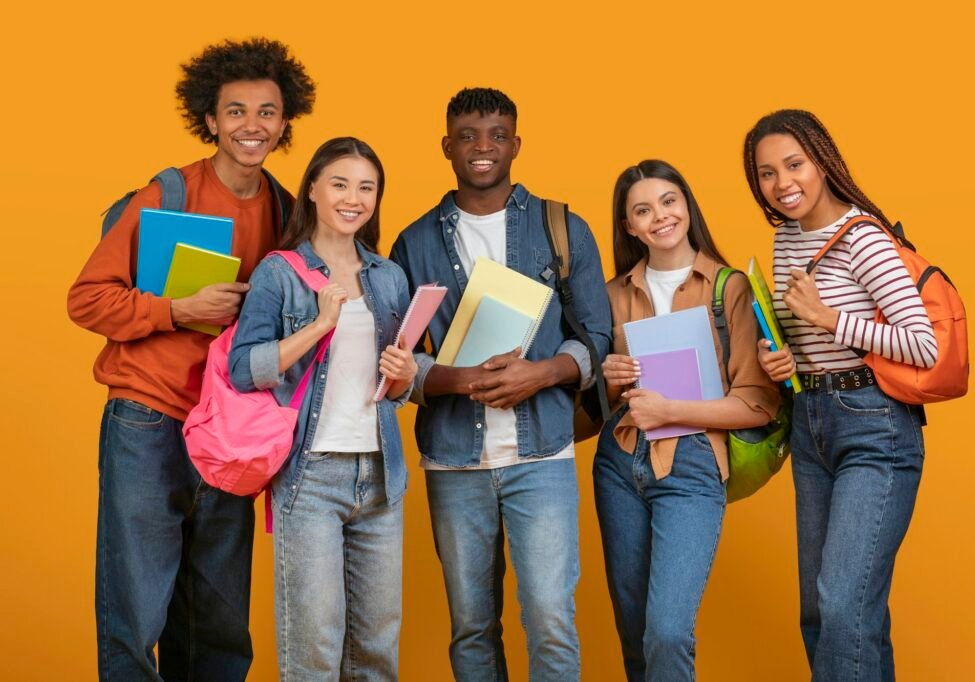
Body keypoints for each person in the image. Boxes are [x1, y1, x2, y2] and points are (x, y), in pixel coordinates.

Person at [66, 37, 315, 681]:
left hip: (231, 428)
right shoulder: (168, 193)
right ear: (210, 118)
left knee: (218, 620)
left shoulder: (289, 212)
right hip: (146, 419)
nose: (251, 127)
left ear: (285, 123)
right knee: (135, 609)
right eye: (236, 112)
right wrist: (179, 309)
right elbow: (87, 299)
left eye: (266, 112)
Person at [390, 87, 612, 681]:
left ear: (516, 143)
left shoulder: (562, 227)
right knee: (472, 628)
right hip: (454, 462)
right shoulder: (413, 243)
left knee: (550, 621)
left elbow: (597, 336)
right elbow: (396, 361)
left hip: (544, 455)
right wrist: (458, 379)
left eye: (495, 135)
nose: (482, 148)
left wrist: (540, 373)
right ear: (447, 146)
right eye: (467, 136)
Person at [743, 109, 937, 681]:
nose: (783, 183)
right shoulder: (784, 241)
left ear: (823, 162)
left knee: (844, 604)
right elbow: (798, 343)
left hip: (875, 426)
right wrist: (777, 359)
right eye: (766, 173)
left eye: (794, 164)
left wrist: (830, 320)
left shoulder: (865, 238)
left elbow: (921, 345)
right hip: (812, 423)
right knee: (822, 612)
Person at [229, 136, 414, 680]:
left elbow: (397, 384)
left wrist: (404, 378)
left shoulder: (388, 276)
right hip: (310, 478)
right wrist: (318, 326)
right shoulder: (279, 273)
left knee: (377, 650)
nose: (353, 198)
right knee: (313, 649)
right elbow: (243, 368)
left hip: (381, 475)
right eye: (339, 183)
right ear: (312, 189)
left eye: (366, 187)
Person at [595, 159, 781, 681]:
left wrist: (670, 410)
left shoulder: (729, 288)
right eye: (642, 210)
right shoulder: (612, 295)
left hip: (694, 464)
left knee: (669, 631)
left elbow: (758, 403)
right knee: (634, 631)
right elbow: (601, 403)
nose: (660, 216)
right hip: (617, 463)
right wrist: (609, 376)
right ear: (629, 226)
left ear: (687, 205)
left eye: (669, 201)